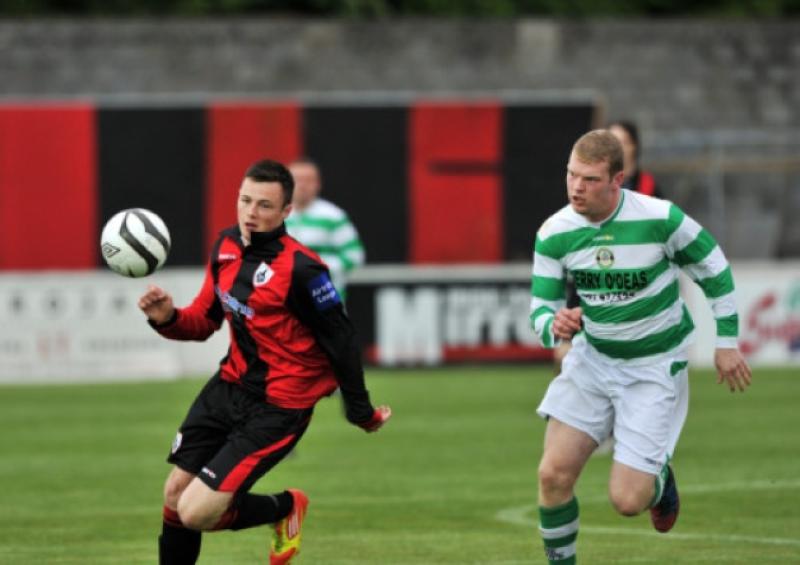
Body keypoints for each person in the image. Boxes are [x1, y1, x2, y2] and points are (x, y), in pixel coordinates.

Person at [139, 159, 391, 565]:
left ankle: (285, 507)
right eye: (245, 201)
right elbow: (204, 321)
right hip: (228, 387)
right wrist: (167, 317)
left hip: (278, 407)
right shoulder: (225, 247)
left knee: (196, 512)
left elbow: (342, 342)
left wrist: (360, 411)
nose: (250, 213)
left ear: (286, 212)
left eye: (264, 206)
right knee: (174, 494)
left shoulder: (304, 271)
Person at [529, 130, 752, 564]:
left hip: (652, 367)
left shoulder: (660, 218)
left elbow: (715, 268)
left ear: (618, 180)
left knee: (628, 500)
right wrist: (553, 324)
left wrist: (726, 342)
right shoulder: (555, 232)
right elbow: (542, 306)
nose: (576, 187)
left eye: (590, 179)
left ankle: (660, 480)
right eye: (571, 175)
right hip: (593, 361)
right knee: (552, 475)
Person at [286, 158, 365, 300]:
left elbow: (354, 256)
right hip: (287, 301)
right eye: (297, 179)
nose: (302, 185)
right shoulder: (275, 217)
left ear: (318, 184)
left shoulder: (333, 216)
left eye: (308, 180)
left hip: (325, 300)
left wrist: (317, 267)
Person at [608, 119, 662, 198]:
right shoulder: (599, 185)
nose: (615, 148)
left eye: (622, 143)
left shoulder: (647, 184)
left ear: (634, 146)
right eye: (610, 143)